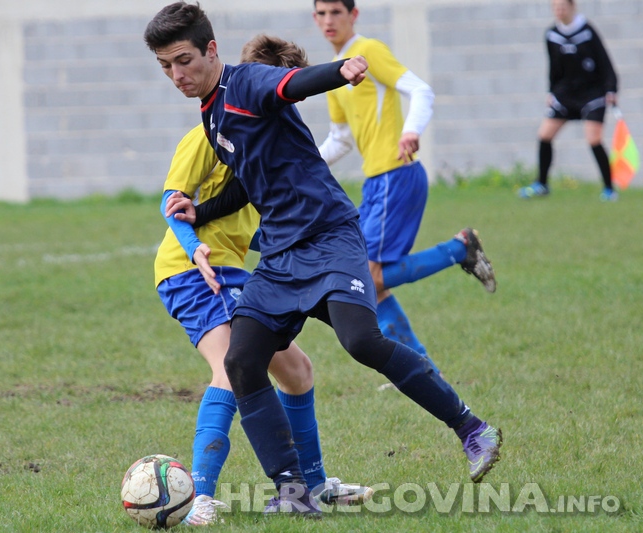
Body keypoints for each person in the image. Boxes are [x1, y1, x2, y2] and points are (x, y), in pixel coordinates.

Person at [144, 2, 503, 517]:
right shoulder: (212, 111)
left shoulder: (245, 83)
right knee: (242, 362)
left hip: (329, 238)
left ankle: (472, 429)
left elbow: (290, 84)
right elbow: (248, 182)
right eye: (166, 67)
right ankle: (293, 492)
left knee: (361, 340)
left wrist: (341, 72)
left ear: (211, 50)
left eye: (183, 61)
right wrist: (200, 210)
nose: (177, 75)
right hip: (282, 256)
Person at [154, 35, 371, 525]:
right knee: (232, 367)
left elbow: (244, 217)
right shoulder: (210, 129)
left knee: (297, 372)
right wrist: (196, 249)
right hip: (191, 272)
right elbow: (173, 205)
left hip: (233, 269)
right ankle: (197, 498)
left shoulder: (270, 139)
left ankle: (310, 487)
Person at [311, 0, 496, 374]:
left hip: (397, 175)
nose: (329, 20)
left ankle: (459, 249)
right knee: (372, 285)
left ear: (353, 15)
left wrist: (411, 131)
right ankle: (420, 365)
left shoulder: (369, 51)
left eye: (336, 12)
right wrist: (299, 164)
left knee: (367, 275)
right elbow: (340, 139)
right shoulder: (333, 75)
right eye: (321, 13)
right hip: (378, 182)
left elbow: (421, 90)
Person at [519, 0, 618, 201]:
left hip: (592, 93)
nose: (559, 10)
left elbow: (605, 62)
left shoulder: (587, 31)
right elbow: (554, 68)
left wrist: (611, 89)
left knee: (593, 138)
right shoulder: (551, 35)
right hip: (565, 95)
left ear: (573, 7)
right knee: (544, 134)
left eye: (563, 6)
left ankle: (609, 189)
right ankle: (542, 185)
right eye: (555, 7)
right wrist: (551, 91)